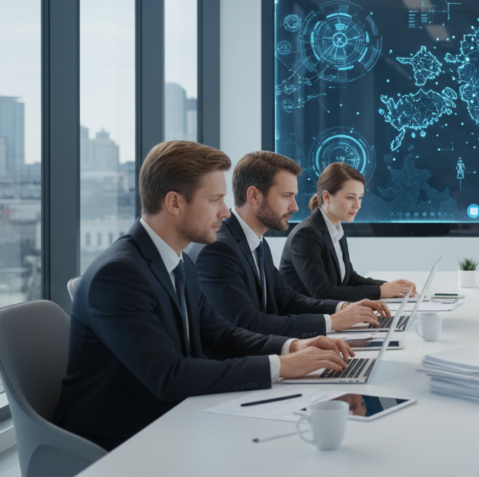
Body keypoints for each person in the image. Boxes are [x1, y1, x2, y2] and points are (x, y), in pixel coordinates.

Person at [54, 141, 354, 451]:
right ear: (174, 203)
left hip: (176, 415)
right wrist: (281, 365)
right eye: (214, 200)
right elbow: (170, 376)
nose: (225, 212)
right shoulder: (118, 275)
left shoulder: (177, 260)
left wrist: (294, 347)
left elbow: (221, 336)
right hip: (123, 439)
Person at [194, 151, 391, 339]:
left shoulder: (257, 242)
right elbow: (249, 324)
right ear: (254, 195)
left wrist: (343, 308)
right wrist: (331, 322)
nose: (295, 207)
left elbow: (287, 300)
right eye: (286, 196)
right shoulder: (219, 250)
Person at [280, 162, 416, 301]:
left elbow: (349, 278)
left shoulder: (335, 230)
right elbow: (323, 293)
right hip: (309, 319)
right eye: (350, 197)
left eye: (360, 197)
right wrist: (381, 291)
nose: (358, 205)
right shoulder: (306, 235)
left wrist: (389, 286)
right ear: (327, 197)